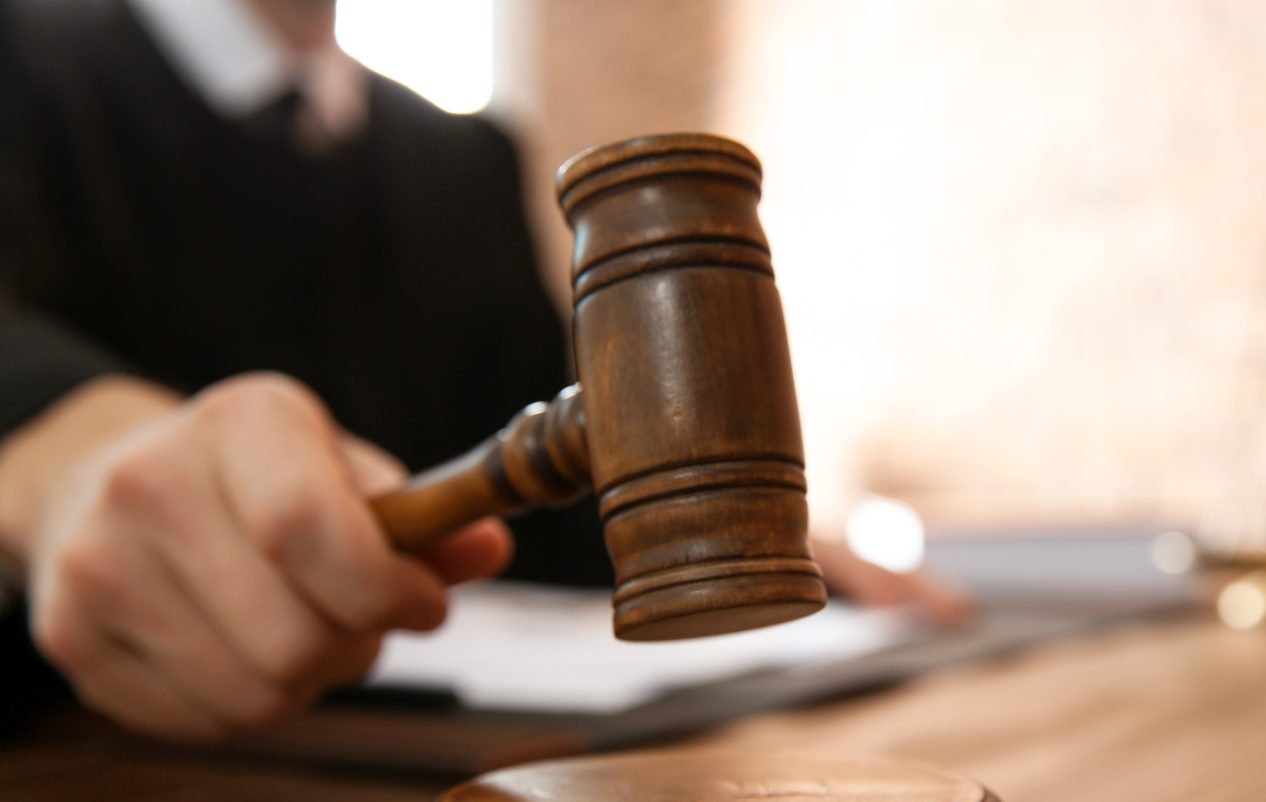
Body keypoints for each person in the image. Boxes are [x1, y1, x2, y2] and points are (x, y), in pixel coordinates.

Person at [0, 0, 967, 743]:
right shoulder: (25, 60)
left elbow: (580, 500)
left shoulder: (462, 159)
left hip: (430, 788)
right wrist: (58, 449)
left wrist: (762, 528)